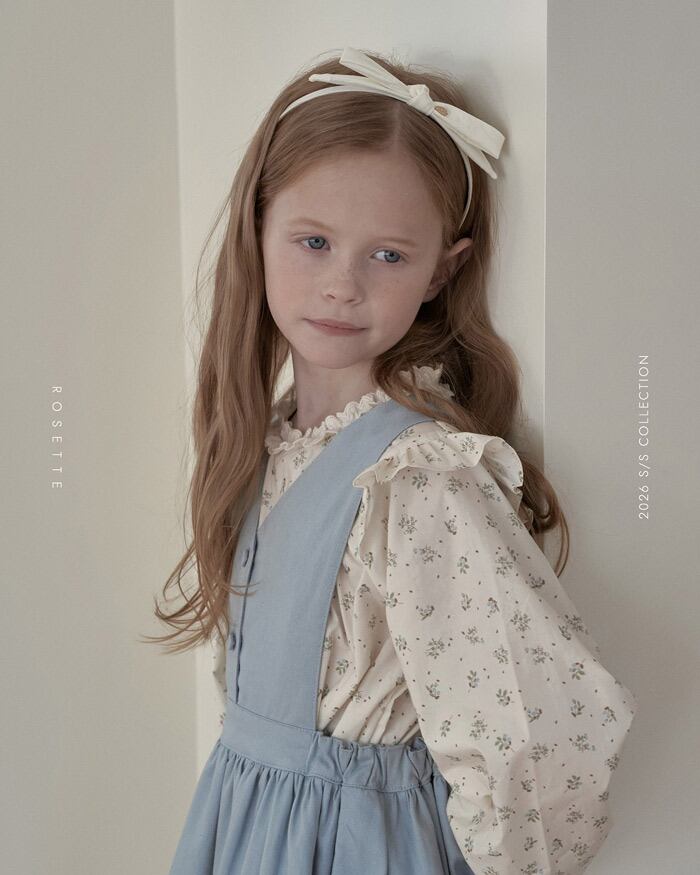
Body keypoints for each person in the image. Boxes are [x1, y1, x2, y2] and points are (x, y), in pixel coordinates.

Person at [147, 46, 638, 874]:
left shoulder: (418, 480)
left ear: (441, 271)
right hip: (244, 829)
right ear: (257, 228)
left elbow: (539, 731)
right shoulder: (265, 443)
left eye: (388, 255)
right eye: (313, 241)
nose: (342, 284)